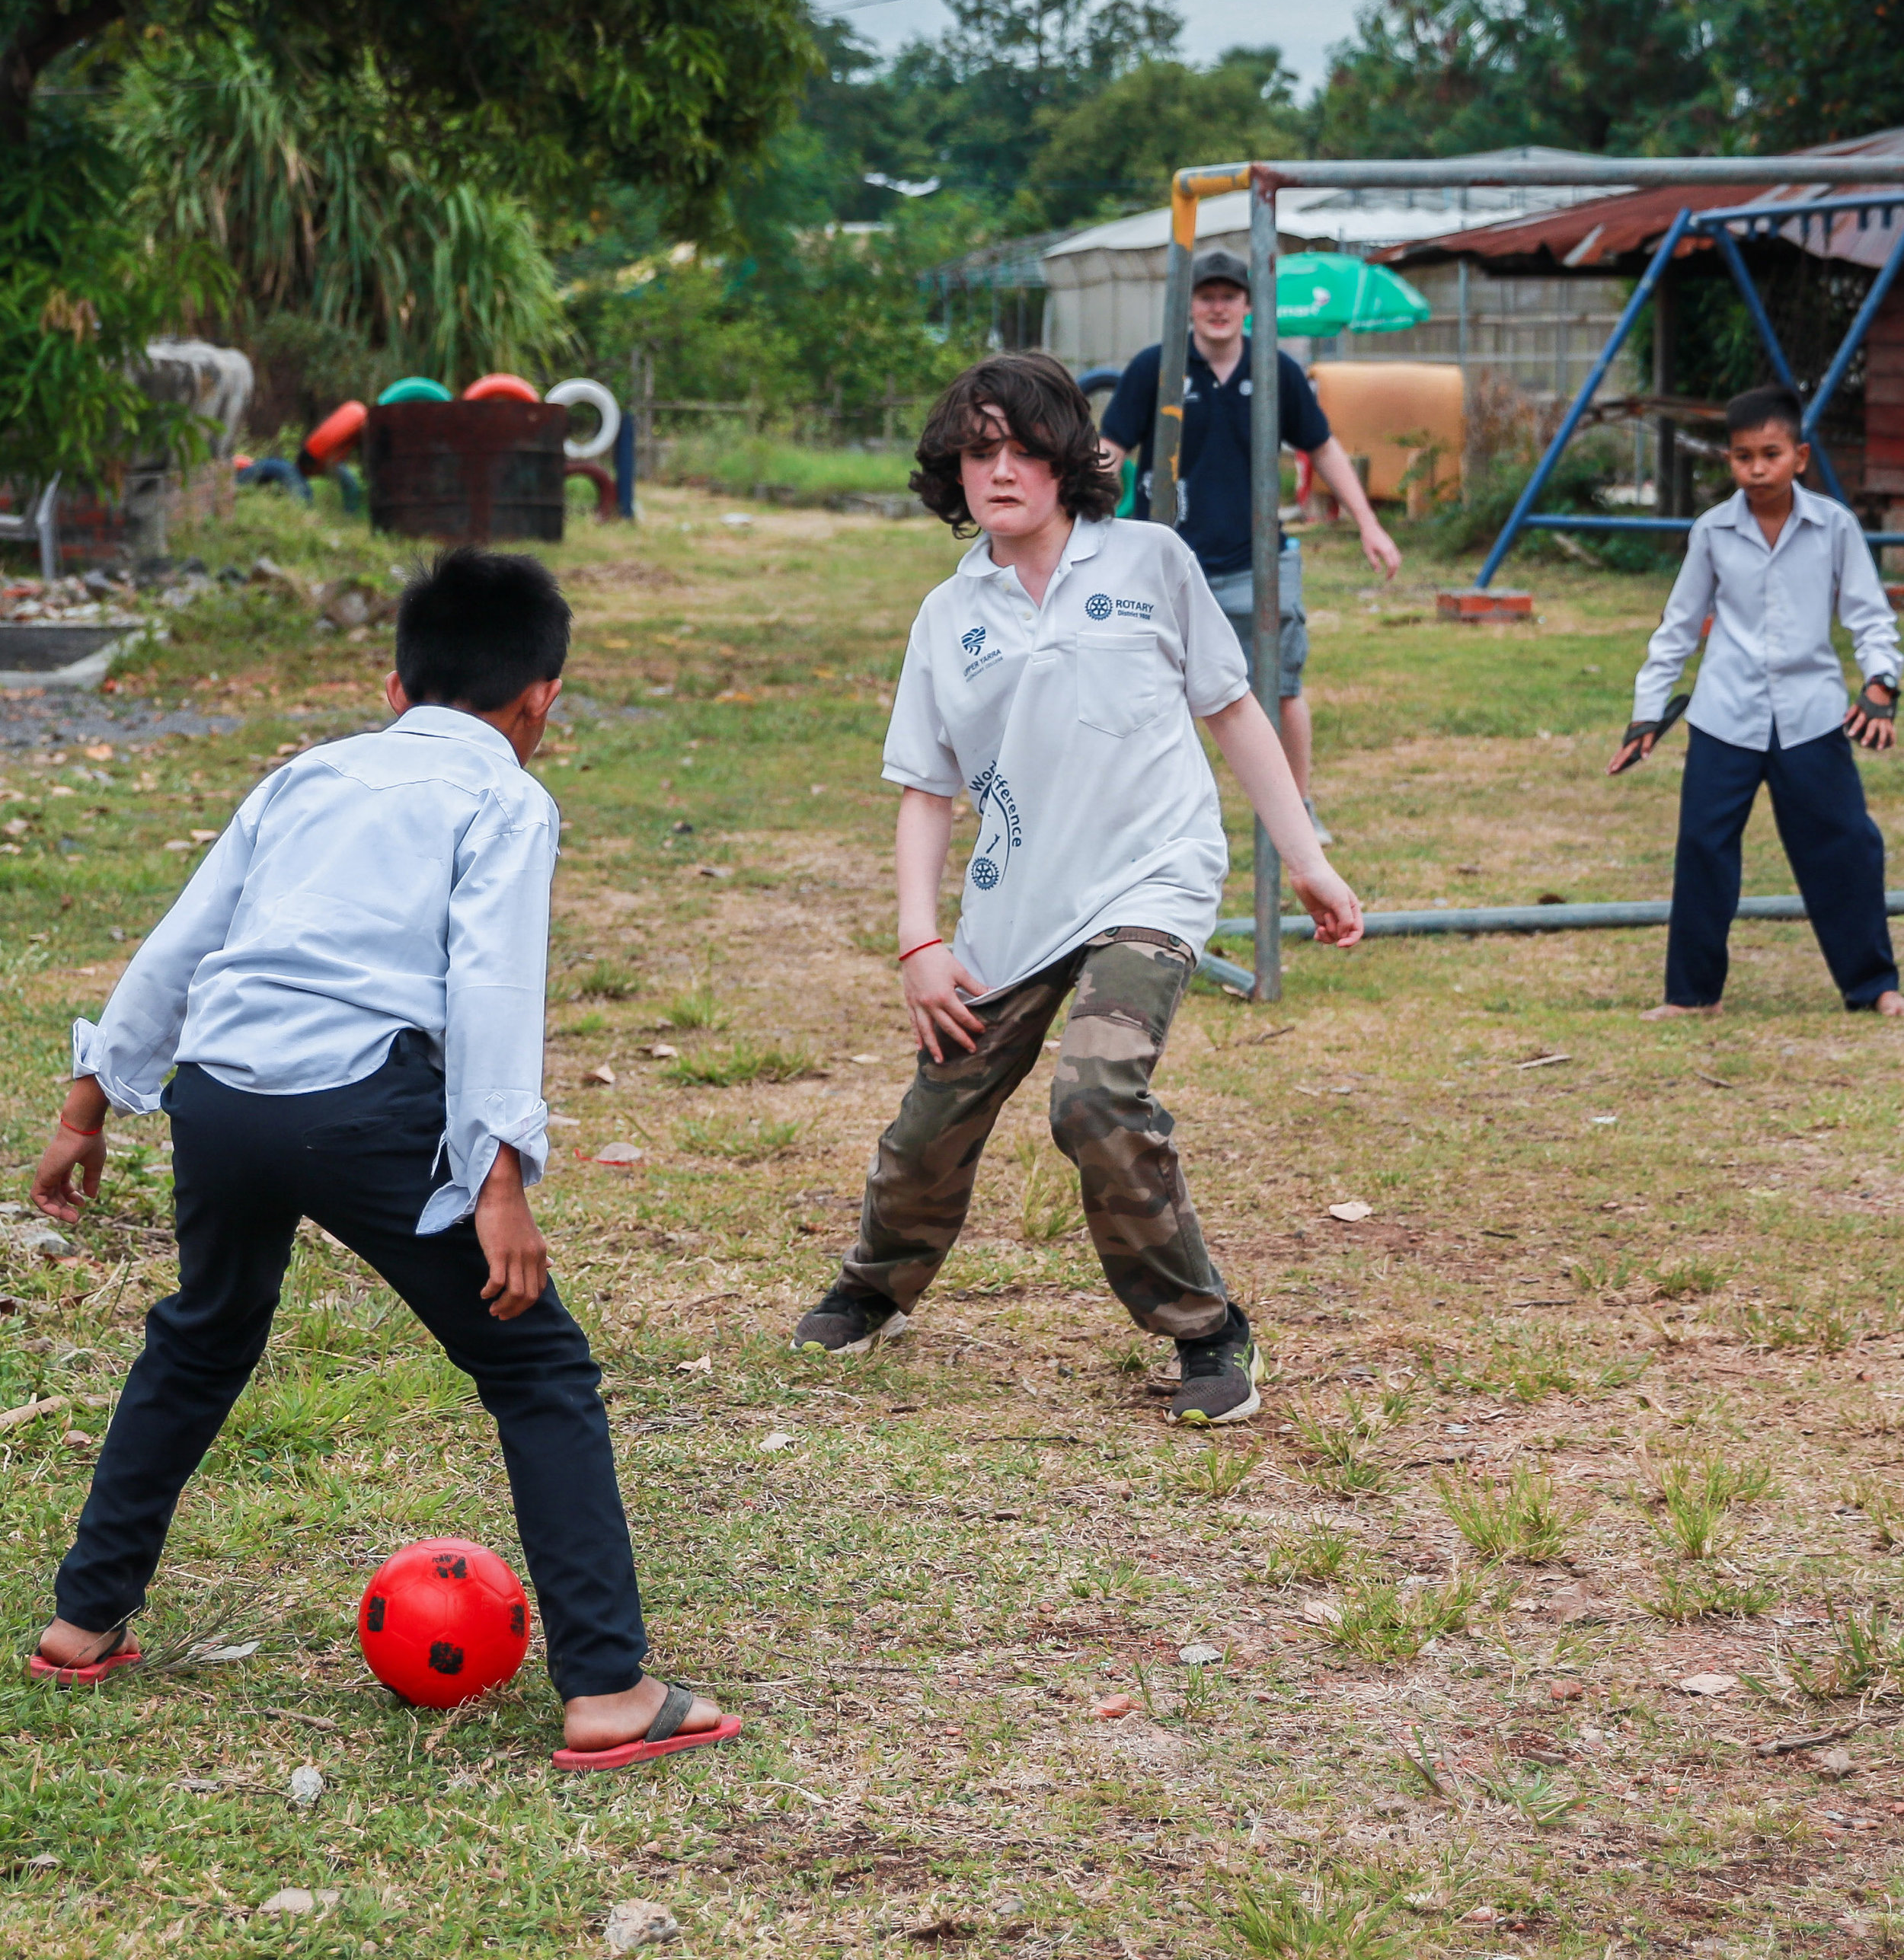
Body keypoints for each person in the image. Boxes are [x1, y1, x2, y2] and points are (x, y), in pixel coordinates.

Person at [26, 547, 740, 1772]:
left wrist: (91, 1099)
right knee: (539, 1370)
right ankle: (609, 1688)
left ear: (395, 689)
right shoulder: (507, 798)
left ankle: (81, 1621)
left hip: (224, 1100)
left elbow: (187, 933)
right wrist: (500, 1176)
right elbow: (494, 982)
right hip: (362, 1109)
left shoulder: (306, 773)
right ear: (541, 703)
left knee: (203, 1335)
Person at [790, 353, 1364, 1426]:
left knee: (1096, 1092)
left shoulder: (1151, 562)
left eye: (1022, 448)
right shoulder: (946, 615)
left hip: (1151, 877)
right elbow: (925, 788)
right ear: (952, 472)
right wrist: (920, 943)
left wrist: (1310, 862)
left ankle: (1203, 1330)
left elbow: (1234, 710)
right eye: (978, 450)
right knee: (933, 1123)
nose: (1000, 470)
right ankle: (877, 1285)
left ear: (1068, 461)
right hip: (1015, 902)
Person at [1611, 383, 1903, 1020]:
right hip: (1725, 716)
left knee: (1847, 844)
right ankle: (1692, 996)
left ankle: (1874, 985)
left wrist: (1881, 684)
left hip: (1812, 716)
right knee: (1704, 846)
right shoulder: (1712, 532)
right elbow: (1678, 629)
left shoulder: (1835, 528)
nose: (1757, 468)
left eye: (1771, 453)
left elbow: (1870, 617)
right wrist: (1646, 712)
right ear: (1730, 462)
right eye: (1744, 456)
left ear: (1799, 456)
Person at [1097, 246, 1403, 844]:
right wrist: (1075, 515)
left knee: (1281, 689)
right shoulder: (1156, 366)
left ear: (1247, 305)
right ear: (1189, 305)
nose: (1217, 307)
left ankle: (1296, 808)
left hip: (1257, 562)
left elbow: (1322, 446)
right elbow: (1112, 449)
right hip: (1165, 565)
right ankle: (1156, 819)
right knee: (1153, 694)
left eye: (1228, 297)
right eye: (1206, 296)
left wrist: (1369, 521)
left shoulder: (1276, 370)